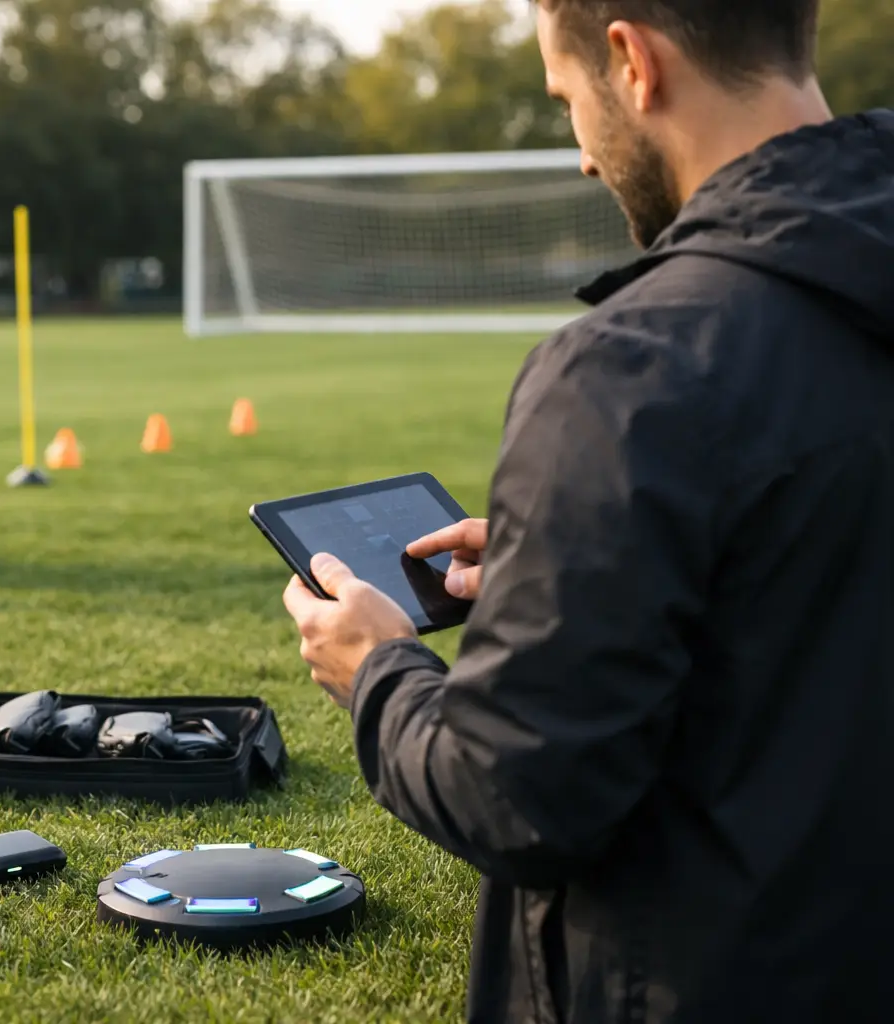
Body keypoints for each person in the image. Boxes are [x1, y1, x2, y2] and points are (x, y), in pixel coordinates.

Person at [283, 1, 894, 1020]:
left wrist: (377, 670)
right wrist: (587, 548)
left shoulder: (633, 367)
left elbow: (518, 795)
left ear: (632, 63)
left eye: (566, 101)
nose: (579, 155)